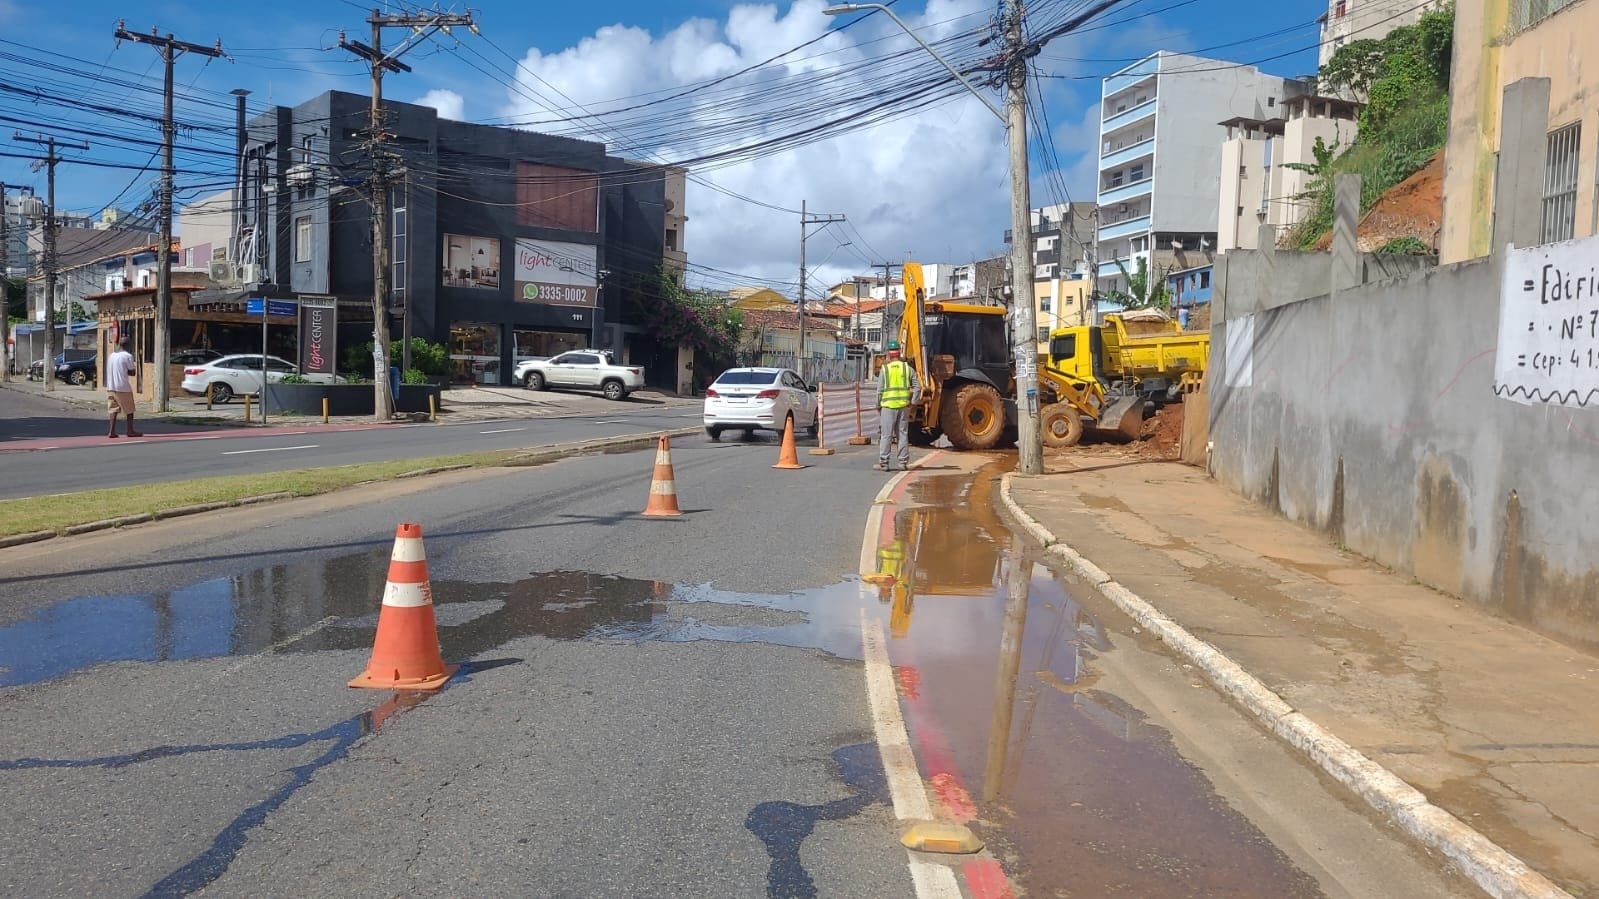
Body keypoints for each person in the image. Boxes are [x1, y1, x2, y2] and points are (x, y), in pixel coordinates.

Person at [875, 341, 921, 471]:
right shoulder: (907, 369)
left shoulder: (885, 369)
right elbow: (917, 387)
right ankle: (902, 463)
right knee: (902, 435)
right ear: (899, 352)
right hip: (903, 407)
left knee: (886, 435)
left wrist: (878, 405)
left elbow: (879, 391)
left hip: (888, 407)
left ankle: (884, 463)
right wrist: (913, 403)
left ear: (889, 354)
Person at [105, 337, 142, 438]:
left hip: (111, 386)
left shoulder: (111, 356)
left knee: (113, 409)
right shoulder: (128, 356)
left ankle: (111, 431)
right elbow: (132, 373)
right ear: (128, 345)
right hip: (123, 387)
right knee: (129, 410)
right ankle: (130, 431)